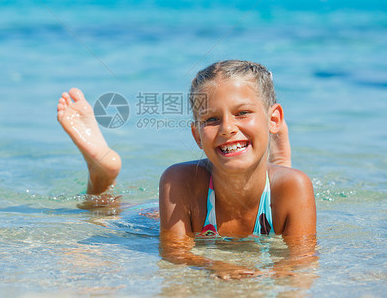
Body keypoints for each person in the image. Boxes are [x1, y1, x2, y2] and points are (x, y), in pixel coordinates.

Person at [57, 60, 317, 279]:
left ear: (273, 118)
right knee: (103, 211)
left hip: (270, 188)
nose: (226, 127)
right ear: (196, 135)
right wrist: (215, 265)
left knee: (282, 179)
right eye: (211, 119)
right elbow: (174, 252)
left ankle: (278, 153)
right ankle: (102, 174)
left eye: (242, 112)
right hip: (154, 216)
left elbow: (302, 259)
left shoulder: (295, 187)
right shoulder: (179, 180)